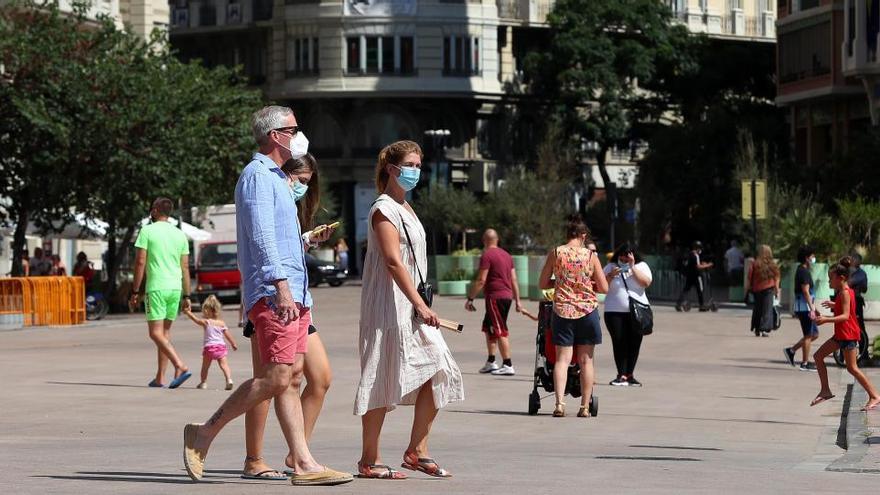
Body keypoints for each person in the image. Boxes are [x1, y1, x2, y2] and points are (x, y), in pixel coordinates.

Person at [182, 105, 352, 486]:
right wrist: (280, 287)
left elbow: (280, 238)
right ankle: (204, 432)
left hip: (293, 292)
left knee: (290, 378)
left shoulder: (277, 179)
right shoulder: (258, 177)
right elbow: (260, 237)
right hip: (276, 295)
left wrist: (303, 250)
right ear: (276, 136)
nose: (298, 136)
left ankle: (304, 463)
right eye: (293, 130)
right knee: (276, 377)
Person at [354, 140, 464, 479]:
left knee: (439, 367)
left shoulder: (406, 208)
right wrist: (418, 302)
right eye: (411, 165)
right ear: (392, 168)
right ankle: (369, 459)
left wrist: (418, 303)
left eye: (419, 165)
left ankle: (417, 449)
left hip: (412, 306)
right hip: (388, 306)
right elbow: (391, 261)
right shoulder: (383, 208)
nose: (416, 170)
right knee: (379, 377)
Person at [239, 152, 338, 480]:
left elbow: (285, 247)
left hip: (298, 301)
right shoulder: (265, 185)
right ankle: (253, 457)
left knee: (319, 377)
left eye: (308, 183)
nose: (302, 188)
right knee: (270, 380)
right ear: (285, 175)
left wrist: (308, 240)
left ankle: (299, 453)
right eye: (300, 180)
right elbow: (263, 245)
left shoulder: (290, 207)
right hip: (272, 299)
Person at [538, 215, 608, 418]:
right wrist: (587, 284)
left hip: (562, 311)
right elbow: (603, 288)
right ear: (583, 235)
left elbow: (543, 283)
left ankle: (560, 403)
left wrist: (560, 283)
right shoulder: (590, 256)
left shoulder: (556, 253)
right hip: (587, 312)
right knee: (586, 360)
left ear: (567, 235)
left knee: (562, 360)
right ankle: (585, 406)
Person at [130, 197, 192, 389]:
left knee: (155, 333)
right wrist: (187, 295)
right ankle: (160, 378)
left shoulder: (147, 231)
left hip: (156, 287)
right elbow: (185, 267)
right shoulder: (179, 234)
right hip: (175, 288)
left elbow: (140, 262)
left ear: (156, 210)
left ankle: (179, 365)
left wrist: (135, 290)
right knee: (164, 334)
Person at [810, 257, 880, 410]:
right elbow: (846, 307)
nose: (829, 282)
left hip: (848, 335)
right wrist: (834, 304)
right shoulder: (844, 291)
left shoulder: (845, 293)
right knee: (818, 356)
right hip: (841, 335)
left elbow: (846, 316)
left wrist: (826, 319)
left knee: (852, 368)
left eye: (831, 279)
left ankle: (874, 395)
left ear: (841, 278)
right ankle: (825, 390)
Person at [466, 228, 523, 376]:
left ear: (485, 241)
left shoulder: (487, 255)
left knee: (499, 329)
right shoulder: (507, 255)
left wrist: (470, 299)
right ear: (497, 240)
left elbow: (481, 280)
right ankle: (491, 361)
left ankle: (508, 364)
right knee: (489, 327)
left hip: (495, 298)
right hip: (507, 297)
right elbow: (514, 279)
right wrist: (517, 301)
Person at [603, 242, 652, 387]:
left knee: (634, 343)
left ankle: (630, 374)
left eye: (626, 259)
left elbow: (646, 282)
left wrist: (632, 266)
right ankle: (621, 374)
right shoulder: (610, 267)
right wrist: (611, 276)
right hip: (614, 312)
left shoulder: (641, 266)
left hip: (637, 312)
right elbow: (600, 286)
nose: (623, 262)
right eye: (621, 259)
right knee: (619, 342)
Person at [183, 295, 238, 390]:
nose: (203, 312)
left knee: (205, 367)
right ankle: (229, 379)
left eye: (205, 310)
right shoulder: (221, 323)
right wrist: (233, 344)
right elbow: (227, 335)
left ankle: (203, 383)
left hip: (209, 348)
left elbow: (195, 320)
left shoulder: (206, 322)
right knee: (224, 365)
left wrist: (188, 313)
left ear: (210, 311)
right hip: (221, 347)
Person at [783, 246, 818, 371]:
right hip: (804, 307)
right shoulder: (803, 272)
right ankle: (804, 363)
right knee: (809, 335)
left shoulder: (803, 270)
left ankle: (792, 350)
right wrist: (811, 308)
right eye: (812, 256)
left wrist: (814, 307)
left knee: (814, 334)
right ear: (806, 258)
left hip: (806, 306)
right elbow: (806, 291)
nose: (814, 259)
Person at [745, 245, 780, 337]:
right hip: (769, 289)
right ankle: (764, 329)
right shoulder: (773, 264)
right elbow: (776, 278)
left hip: (757, 290)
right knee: (767, 310)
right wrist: (777, 290)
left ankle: (757, 328)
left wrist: (747, 289)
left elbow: (749, 277)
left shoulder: (754, 263)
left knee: (757, 309)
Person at [676, 241, 713, 311]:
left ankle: (679, 303)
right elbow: (698, 266)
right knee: (700, 290)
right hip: (697, 276)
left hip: (689, 275)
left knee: (686, 290)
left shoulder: (690, 254)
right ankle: (702, 305)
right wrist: (708, 265)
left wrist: (703, 263)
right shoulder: (696, 255)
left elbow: (693, 264)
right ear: (698, 248)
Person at [849, 253, 869, 338]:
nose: (851, 261)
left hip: (856, 301)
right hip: (847, 300)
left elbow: (848, 283)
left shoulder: (860, 273)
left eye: (852, 259)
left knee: (859, 325)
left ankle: (863, 350)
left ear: (858, 261)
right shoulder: (848, 270)